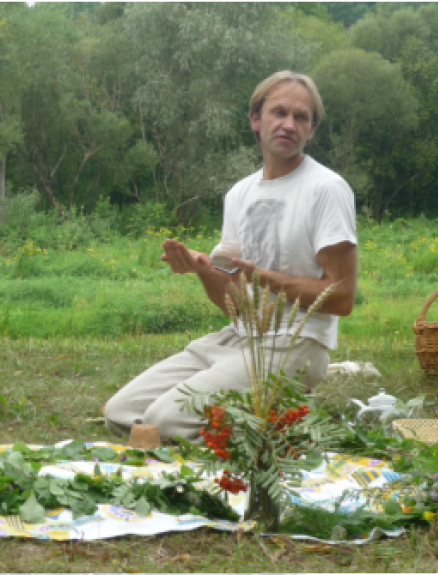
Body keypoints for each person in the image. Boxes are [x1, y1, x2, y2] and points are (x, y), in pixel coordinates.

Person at [103, 70, 358, 442]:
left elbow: (342, 297)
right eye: (279, 112)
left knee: (166, 422)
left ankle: (279, 428)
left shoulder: (326, 189)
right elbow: (236, 306)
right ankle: (259, 417)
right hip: (238, 340)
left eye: (301, 117)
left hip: (295, 348)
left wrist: (265, 278)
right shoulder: (240, 194)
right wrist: (204, 270)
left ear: (312, 128)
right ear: (256, 120)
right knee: (120, 413)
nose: (289, 124)